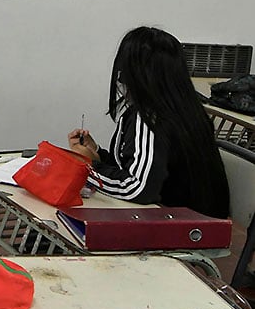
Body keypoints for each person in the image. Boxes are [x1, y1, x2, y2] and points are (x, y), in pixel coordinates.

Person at [68, 26, 229, 218]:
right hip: (203, 223)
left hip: (181, 229)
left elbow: (137, 189)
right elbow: (143, 169)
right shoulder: (187, 108)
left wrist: (87, 166)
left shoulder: (150, 118)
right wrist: (98, 157)